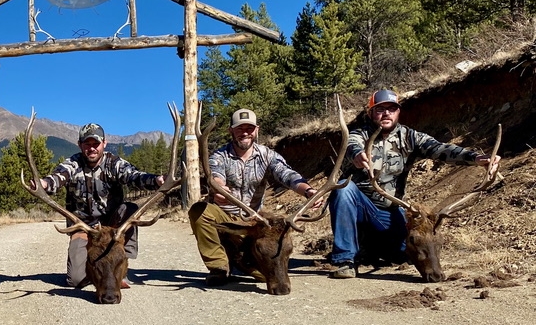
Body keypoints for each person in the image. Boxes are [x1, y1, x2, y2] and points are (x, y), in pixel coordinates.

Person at [327, 89, 500, 279]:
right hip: (360, 207)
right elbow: (352, 144)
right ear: (370, 113)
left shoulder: (410, 137)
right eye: (380, 109)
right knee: (344, 189)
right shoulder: (359, 135)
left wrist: (476, 158)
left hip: (391, 212)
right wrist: (357, 155)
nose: (386, 113)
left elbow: (440, 148)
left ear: (398, 112)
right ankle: (345, 260)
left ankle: (371, 249)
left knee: (408, 247)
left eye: (391, 109)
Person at [191, 108, 318, 285]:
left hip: (256, 223)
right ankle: (219, 268)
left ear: (256, 130)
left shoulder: (267, 155)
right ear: (231, 131)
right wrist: (219, 190)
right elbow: (215, 177)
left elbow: (287, 175)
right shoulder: (219, 156)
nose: (245, 133)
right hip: (226, 220)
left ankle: (243, 263)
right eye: (239, 128)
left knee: (263, 273)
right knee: (199, 211)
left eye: (249, 129)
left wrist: (308, 191)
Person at [35, 122, 166, 289]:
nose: (91, 149)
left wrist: (155, 180)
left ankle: (124, 264)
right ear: (80, 145)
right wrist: (45, 183)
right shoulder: (73, 164)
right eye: (87, 144)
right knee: (75, 280)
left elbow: (134, 176)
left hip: (112, 227)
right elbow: (59, 176)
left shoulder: (114, 163)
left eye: (96, 144)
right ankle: (99, 270)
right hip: (83, 228)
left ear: (104, 143)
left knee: (130, 210)